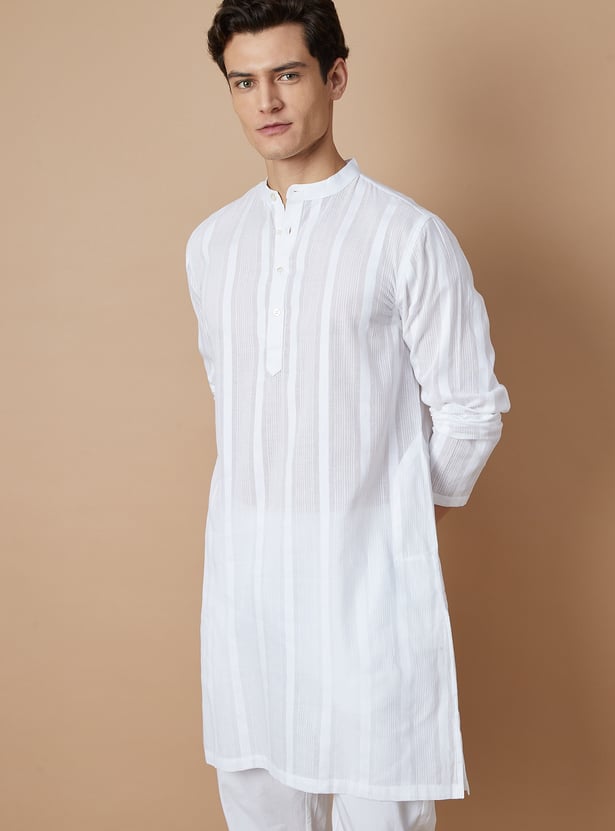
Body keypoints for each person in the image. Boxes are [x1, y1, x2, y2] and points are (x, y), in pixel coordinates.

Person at [185, 1, 510, 828]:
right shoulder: (212, 245)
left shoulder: (407, 237)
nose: (266, 101)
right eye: (243, 82)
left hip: (368, 603)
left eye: (286, 75)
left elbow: (469, 410)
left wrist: (390, 518)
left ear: (334, 76)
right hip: (248, 605)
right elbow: (237, 400)